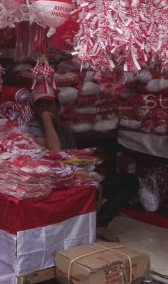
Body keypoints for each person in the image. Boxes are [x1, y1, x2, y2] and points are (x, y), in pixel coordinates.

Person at [27, 91, 138, 243]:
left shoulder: (62, 127)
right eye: (42, 106)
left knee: (129, 181)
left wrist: (88, 171)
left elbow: (72, 158)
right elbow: (55, 153)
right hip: (54, 180)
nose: (46, 108)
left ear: (57, 106)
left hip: (73, 175)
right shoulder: (34, 126)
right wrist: (46, 118)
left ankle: (100, 223)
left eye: (49, 104)